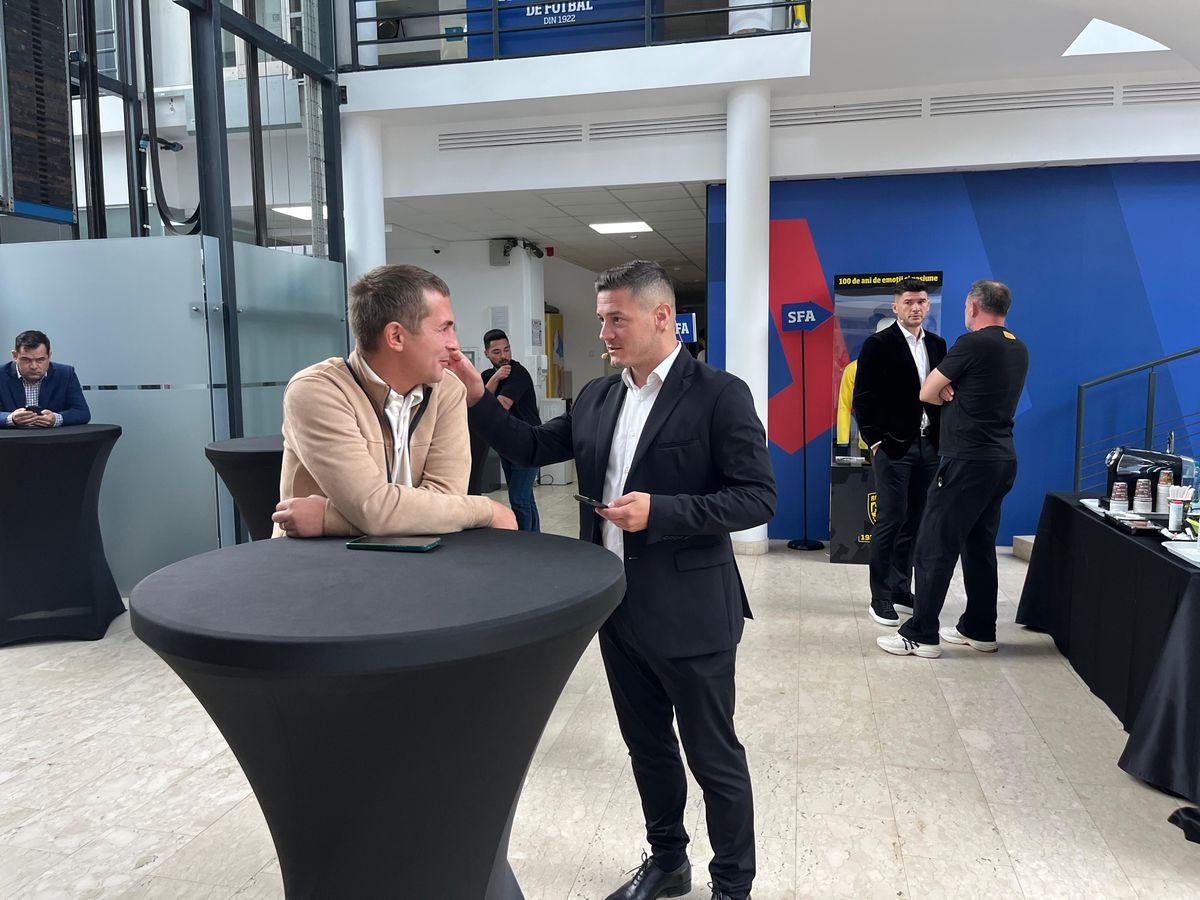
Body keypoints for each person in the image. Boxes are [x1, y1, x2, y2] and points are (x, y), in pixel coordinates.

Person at [451, 260, 775, 900]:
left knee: (713, 756)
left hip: (693, 614)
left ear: (662, 317)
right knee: (647, 747)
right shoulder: (599, 396)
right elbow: (531, 447)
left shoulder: (719, 394)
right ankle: (668, 862)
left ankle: (732, 885)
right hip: (618, 611)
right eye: (602, 320)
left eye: (616, 319)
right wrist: (474, 392)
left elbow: (757, 497)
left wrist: (663, 511)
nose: (604, 333)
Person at [270, 264, 516, 538]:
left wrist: (328, 518)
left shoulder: (447, 390)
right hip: (322, 561)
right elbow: (374, 508)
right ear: (396, 337)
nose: (454, 343)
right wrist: (486, 510)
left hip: (411, 558)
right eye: (443, 329)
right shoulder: (317, 391)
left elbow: (447, 499)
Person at [878, 279, 1029, 658]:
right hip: (1001, 460)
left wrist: (945, 388)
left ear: (973, 307)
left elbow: (927, 391)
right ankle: (979, 628)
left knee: (934, 544)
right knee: (979, 545)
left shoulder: (972, 343)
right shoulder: (1017, 346)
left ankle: (921, 633)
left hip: (967, 460)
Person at [853, 279, 947, 626]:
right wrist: (876, 441)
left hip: (929, 445)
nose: (915, 307)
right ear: (896, 307)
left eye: (921, 301)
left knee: (916, 521)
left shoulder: (937, 344)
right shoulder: (878, 344)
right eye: (908, 302)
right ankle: (879, 596)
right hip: (893, 446)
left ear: (928, 305)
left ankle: (899, 588)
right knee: (891, 520)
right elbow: (863, 398)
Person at [479, 328, 542, 531]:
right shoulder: (488, 376)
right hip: (506, 445)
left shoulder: (518, 373)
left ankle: (524, 542)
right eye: (496, 352)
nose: (504, 356)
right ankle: (535, 540)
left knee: (519, 498)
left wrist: (493, 385)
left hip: (527, 443)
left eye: (506, 349)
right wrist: (495, 379)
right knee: (525, 498)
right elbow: (478, 403)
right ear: (486, 354)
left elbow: (499, 407)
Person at [1, 330, 90, 428]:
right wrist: (11, 418)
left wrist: (56, 419)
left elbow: (82, 413)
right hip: (13, 437)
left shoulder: (65, 374)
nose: (34, 366)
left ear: (49, 356)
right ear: (15, 355)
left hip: (53, 437)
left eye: (40, 360)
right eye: (26, 360)